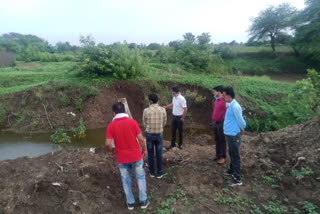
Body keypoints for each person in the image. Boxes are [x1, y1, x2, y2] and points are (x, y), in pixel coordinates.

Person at [105, 102, 150, 210]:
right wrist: (144, 149)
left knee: (126, 180)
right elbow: (141, 139)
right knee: (140, 177)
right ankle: (143, 201)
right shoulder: (133, 122)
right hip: (136, 156)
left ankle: (130, 203)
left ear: (114, 113)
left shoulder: (111, 126)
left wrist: (112, 151)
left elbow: (108, 144)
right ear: (125, 111)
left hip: (122, 158)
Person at [221, 87, 246, 187]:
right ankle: (231, 170)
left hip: (234, 135)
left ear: (228, 96)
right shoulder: (230, 105)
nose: (223, 97)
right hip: (229, 134)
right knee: (231, 153)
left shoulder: (235, 106)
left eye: (224, 95)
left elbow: (240, 120)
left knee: (235, 156)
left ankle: (237, 178)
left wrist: (242, 128)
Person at [143, 94, 167, 178]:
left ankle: (152, 172)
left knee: (150, 153)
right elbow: (164, 122)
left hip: (149, 134)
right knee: (159, 152)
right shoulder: (163, 110)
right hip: (159, 134)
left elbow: (144, 123)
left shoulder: (146, 110)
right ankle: (160, 172)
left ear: (150, 101)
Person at [211, 85, 227, 164]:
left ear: (219, 92)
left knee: (222, 140)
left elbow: (227, 113)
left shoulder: (224, 102)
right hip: (215, 122)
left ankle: (223, 157)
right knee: (217, 139)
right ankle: (218, 154)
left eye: (215, 91)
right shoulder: (216, 101)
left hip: (221, 123)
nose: (214, 93)